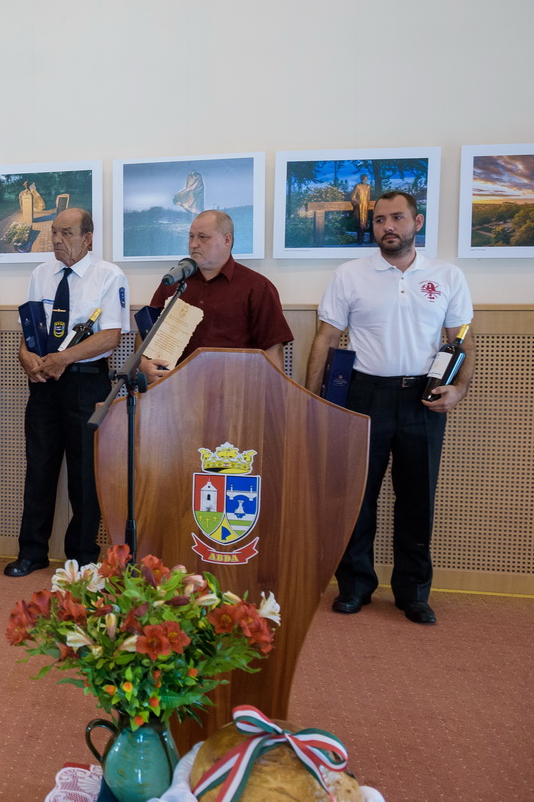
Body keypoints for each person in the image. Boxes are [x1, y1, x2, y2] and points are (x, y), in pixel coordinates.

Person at [306, 191, 473, 625]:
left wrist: (458, 390)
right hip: (364, 396)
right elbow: (325, 338)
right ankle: (355, 586)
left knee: (418, 498)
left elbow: (461, 340)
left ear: (417, 222)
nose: (388, 227)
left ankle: (413, 593)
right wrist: (312, 400)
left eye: (397, 218)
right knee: (357, 496)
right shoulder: (349, 275)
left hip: (423, 398)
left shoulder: (448, 275)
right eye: (380, 220)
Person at [5, 208, 128, 577]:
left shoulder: (109, 276)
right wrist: (25, 356)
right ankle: (32, 552)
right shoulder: (41, 274)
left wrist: (64, 358)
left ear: (87, 237)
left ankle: (82, 558)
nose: (57, 239)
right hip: (44, 384)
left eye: (66, 233)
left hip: (86, 383)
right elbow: (29, 329)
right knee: (38, 470)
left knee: (84, 477)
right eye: (54, 232)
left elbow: (110, 336)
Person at [139, 209, 293, 384]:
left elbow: (272, 350)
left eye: (203, 237)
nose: (193, 244)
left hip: (234, 390)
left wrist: (272, 393)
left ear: (226, 240)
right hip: (174, 388)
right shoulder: (174, 282)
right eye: (191, 236)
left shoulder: (256, 287)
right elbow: (146, 333)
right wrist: (144, 365)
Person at [350, 175, 372, 244]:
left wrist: (367, 203)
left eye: (365, 179)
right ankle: (359, 240)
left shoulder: (368, 186)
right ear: (361, 179)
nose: (364, 180)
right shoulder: (358, 186)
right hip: (358, 207)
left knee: (364, 222)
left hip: (365, 206)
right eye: (363, 179)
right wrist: (358, 202)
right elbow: (353, 197)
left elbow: (368, 197)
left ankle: (363, 239)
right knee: (358, 221)